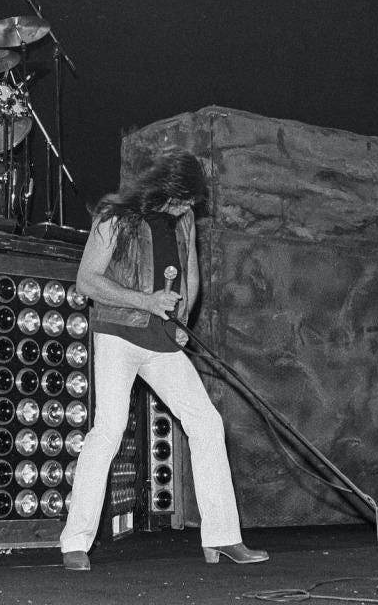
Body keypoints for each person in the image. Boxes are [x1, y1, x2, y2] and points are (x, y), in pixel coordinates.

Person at [58, 148, 267, 571]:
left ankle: (223, 538)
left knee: (207, 423)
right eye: (185, 199)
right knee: (109, 430)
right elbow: (86, 280)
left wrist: (181, 319)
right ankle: (75, 541)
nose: (189, 207)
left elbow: (190, 276)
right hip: (118, 333)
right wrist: (146, 301)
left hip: (162, 341)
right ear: (165, 189)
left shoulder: (184, 219)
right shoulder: (113, 215)